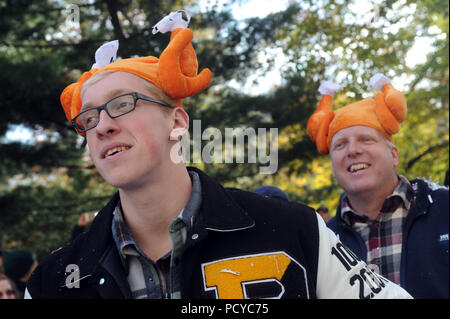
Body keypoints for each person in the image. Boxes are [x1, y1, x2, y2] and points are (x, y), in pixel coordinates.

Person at [26, 11, 411, 299]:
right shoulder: (53, 280)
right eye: (89, 116)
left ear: (177, 121)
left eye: (123, 104)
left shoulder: (296, 231)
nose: (102, 126)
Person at [307, 75, 449, 298]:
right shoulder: (322, 242)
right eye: (340, 144)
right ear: (333, 168)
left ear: (394, 155)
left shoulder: (444, 209)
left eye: (366, 139)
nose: (352, 150)